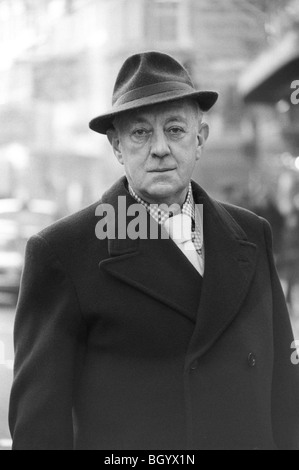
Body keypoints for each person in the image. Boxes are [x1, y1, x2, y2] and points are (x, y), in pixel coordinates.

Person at [9, 51, 299, 450]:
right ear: (117, 147)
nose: (160, 148)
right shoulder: (62, 253)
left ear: (200, 139)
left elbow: (285, 396)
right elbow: (39, 432)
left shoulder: (252, 233)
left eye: (176, 129)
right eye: (141, 133)